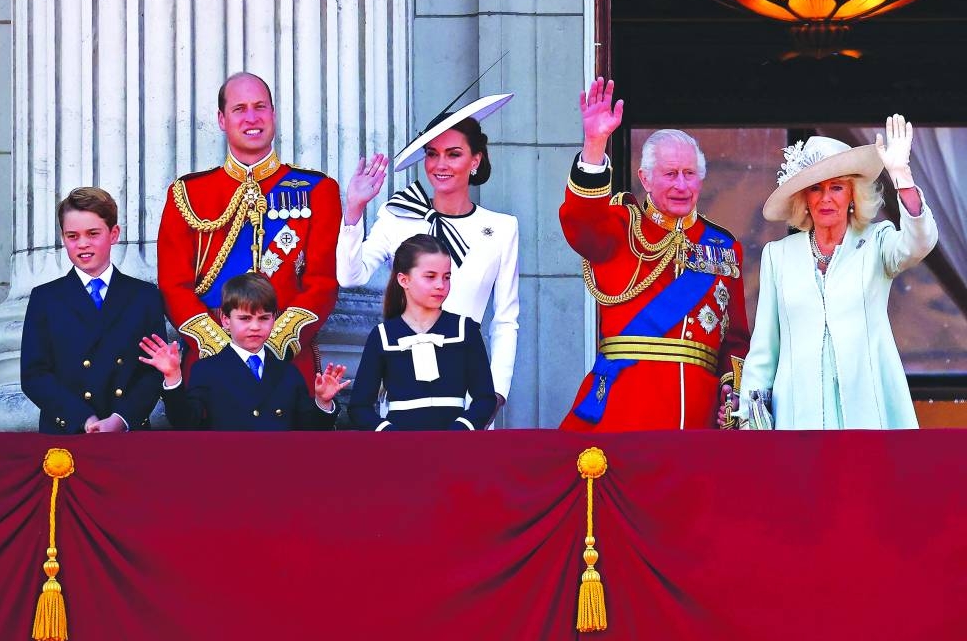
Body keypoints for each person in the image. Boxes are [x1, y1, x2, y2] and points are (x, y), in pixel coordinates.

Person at [558, 77, 750, 432]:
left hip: (698, 416)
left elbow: (735, 338)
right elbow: (580, 222)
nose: (681, 185)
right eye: (670, 174)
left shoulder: (723, 247)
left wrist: (731, 390)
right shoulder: (619, 228)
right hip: (624, 410)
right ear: (645, 179)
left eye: (690, 174)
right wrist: (594, 145)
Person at [735, 115, 938, 429]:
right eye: (816, 188)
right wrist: (752, 416)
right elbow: (764, 348)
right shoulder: (779, 255)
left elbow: (919, 243)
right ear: (805, 199)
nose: (826, 197)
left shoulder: (876, 242)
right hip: (798, 415)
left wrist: (902, 177)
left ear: (853, 196)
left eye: (837, 187)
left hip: (867, 411)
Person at [337, 93, 518, 423]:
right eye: (432, 154)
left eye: (454, 154)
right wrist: (354, 211)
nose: (440, 165)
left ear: (475, 160)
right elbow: (351, 277)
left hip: (469, 384)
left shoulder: (502, 228)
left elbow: (505, 319)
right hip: (404, 386)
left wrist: (496, 394)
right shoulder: (398, 215)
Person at [156, 72, 341, 390]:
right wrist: (221, 349)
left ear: (273, 114)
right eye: (239, 109)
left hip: (287, 363)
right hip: (209, 362)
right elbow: (174, 286)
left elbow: (322, 284)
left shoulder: (318, 190)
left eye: (260, 107)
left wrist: (272, 346)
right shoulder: (187, 194)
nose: (252, 117)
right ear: (221, 119)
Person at [21, 187, 166, 434]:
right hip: (68, 433)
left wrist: (121, 419)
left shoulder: (145, 296)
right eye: (72, 236)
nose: (83, 244)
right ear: (63, 238)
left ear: (114, 234)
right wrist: (83, 419)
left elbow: (153, 371)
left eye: (93, 233)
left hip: (128, 434)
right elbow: (34, 375)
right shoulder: (45, 298)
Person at [139, 273, 347, 431]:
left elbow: (310, 432)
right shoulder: (208, 369)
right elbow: (185, 423)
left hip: (278, 472)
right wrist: (173, 378)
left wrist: (323, 402)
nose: (255, 327)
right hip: (228, 472)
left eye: (264, 318)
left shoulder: (287, 372)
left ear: (274, 319)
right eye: (245, 319)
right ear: (226, 320)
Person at [348, 234, 497, 431]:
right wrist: (390, 433)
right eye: (430, 276)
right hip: (401, 451)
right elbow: (359, 407)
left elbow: (485, 398)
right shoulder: (383, 335)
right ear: (404, 280)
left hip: (455, 449)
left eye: (447, 277)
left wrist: (461, 429)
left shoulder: (465, 329)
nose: (440, 285)